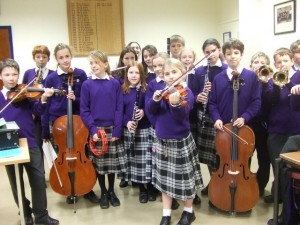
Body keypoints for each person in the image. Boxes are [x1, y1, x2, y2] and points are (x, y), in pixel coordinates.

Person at [0, 59, 59, 225]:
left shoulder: (25, 93)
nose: (11, 78)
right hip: (9, 145)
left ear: (19, 74)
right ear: (1, 76)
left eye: (14, 74)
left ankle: (41, 215)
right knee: (15, 182)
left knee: (39, 179)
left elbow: (38, 111)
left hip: (30, 141)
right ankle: (25, 212)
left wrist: (45, 99)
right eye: (7, 74)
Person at [41, 43, 98, 204]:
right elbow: (45, 106)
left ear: (71, 56)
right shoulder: (51, 78)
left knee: (83, 155)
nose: (65, 60)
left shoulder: (80, 74)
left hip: (79, 124)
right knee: (63, 158)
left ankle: (86, 188)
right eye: (61, 57)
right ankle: (69, 188)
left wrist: (76, 99)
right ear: (56, 59)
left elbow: (87, 101)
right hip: (59, 125)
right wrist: (45, 130)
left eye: (67, 56)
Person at [148, 58, 203, 225]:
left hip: (180, 142)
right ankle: (166, 214)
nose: (170, 76)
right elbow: (151, 111)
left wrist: (175, 104)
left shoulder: (187, 93)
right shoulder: (161, 90)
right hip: (162, 141)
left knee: (186, 180)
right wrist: (155, 100)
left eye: (174, 72)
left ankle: (188, 212)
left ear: (182, 73)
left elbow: (181, 117)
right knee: (165, 181)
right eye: (167, 73)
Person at [80, 50, 127, 209]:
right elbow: (84, 110)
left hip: (112, 128)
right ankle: (104, 192)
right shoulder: (87, 84)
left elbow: (119, 108)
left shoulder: (114, 83)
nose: (94, 66)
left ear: (105, 64)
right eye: (91, 63)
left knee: (111, 164)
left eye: (97, 63)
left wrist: (117, 130)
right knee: (99, 164)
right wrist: (93, 130)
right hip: (96, 131)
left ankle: (112, 191)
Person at [263, 47, 300, 204]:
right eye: (279, 62)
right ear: (275, 64)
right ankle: (281, 201)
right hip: (276, 130)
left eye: (286, 61)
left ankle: (289, 208)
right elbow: (271, 100)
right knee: (278, 169)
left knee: (290, 171)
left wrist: (291, 83)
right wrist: (279, 84)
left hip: (295, 131)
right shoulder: (272, 80)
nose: (282, 64)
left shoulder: (298, 77)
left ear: (292, 61)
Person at [145, 52, 180, 210]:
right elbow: (150, 109)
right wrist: (156, 123)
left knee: (176, 169)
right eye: (155, 66)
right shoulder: (154, 84)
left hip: (176, 134)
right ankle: (163, 193)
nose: (158, 69)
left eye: (161, 65)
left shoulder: (181, 88)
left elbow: (182, 113)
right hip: (159, 130)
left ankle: (177, 195)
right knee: (162, 167)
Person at [193, 38, 227, 196]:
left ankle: (223, 183)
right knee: (207, 155)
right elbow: (192, 93)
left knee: (220, 153)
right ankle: (214, 181)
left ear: (219, 50)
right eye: (207, 52)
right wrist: (198, 97)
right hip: (204, 116)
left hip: (220, 116)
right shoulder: (200, 71)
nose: (210, 54)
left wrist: (214, 92)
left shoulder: (226, 69)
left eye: (213, 51)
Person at [122, 61, 156, 203]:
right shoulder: (123, 90)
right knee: (137, 162)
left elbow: (151, 108)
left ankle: (151, 188)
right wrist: (126, 122)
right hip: (130, 130)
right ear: (127, 74)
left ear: (142, 75)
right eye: (131, 72)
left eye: (137, 72)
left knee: (148, 161)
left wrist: (143, 111)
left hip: (144, 129)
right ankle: (142, 189)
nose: (134, 75)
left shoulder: (146, 89)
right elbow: (119, 111)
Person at [22, 45, 54, 164]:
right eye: (38, 57)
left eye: (44, 57)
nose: (41, 59)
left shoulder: (53, 74)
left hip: (49, 114)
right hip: (35, 115)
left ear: (48, 59)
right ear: (34, 58)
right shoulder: (28, 73)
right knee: (37, 146)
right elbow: (25, 92)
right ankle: (41, 175)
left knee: (53, 145)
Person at [249, 52, 272, 197]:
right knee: (246, 156)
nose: (259, 65)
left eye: (262, 62)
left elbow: (271, 102)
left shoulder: (270, 83)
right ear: (251, 66)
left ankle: (260, 186)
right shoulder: (246, 81)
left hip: (263, 126)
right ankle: (245, 183)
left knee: (264, 159)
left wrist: (264, 83)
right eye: (256, 62)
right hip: (248, 124)